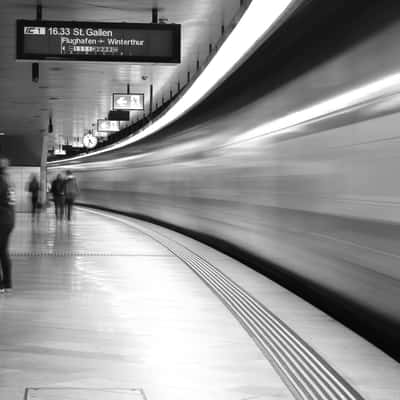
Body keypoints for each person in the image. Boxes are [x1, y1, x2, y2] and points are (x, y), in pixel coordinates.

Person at [0, 159, 15, 293]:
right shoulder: (7, 180)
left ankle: (3, 284)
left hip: (3, 221)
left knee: (2, 252)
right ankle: (7, 283)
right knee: (3, 252)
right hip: (8, 220)